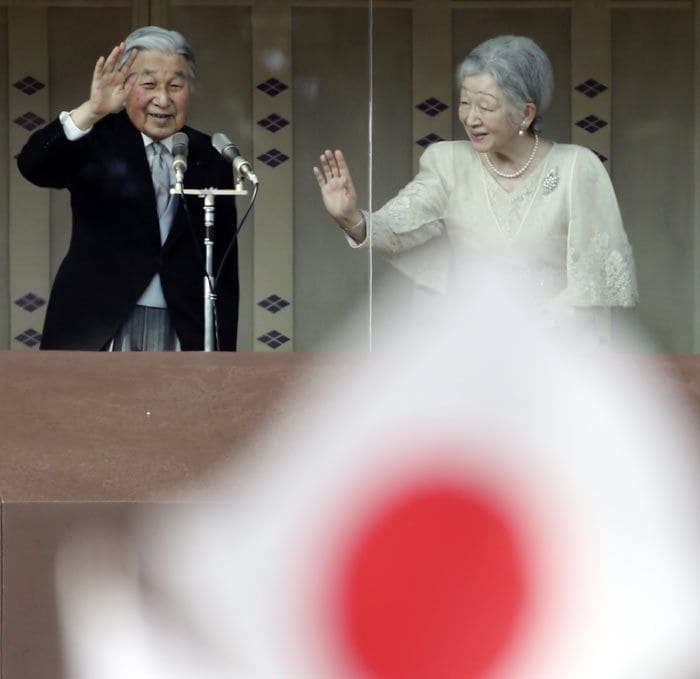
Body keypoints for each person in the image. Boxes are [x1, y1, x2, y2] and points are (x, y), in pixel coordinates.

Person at [314, 35, 638, 330]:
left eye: (485, 106)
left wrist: (527, 334)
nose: (471, 118)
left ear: (525, 114)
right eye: (465, 103)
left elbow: (593, 284)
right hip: (470, 346)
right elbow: (401, 228)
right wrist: (352, 219)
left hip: (557, 352)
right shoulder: (448, 162)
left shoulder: (577, 168)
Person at [17, 26, 239, 351]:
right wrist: (91, 111)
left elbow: (223, 267)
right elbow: (32, 165)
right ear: (125, 84)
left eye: (175, 86)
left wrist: (222, 354)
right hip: (98, 324)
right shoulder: (97, 137)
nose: (162, 100)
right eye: (149, 85)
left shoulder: (210, 155)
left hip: (184, 327)